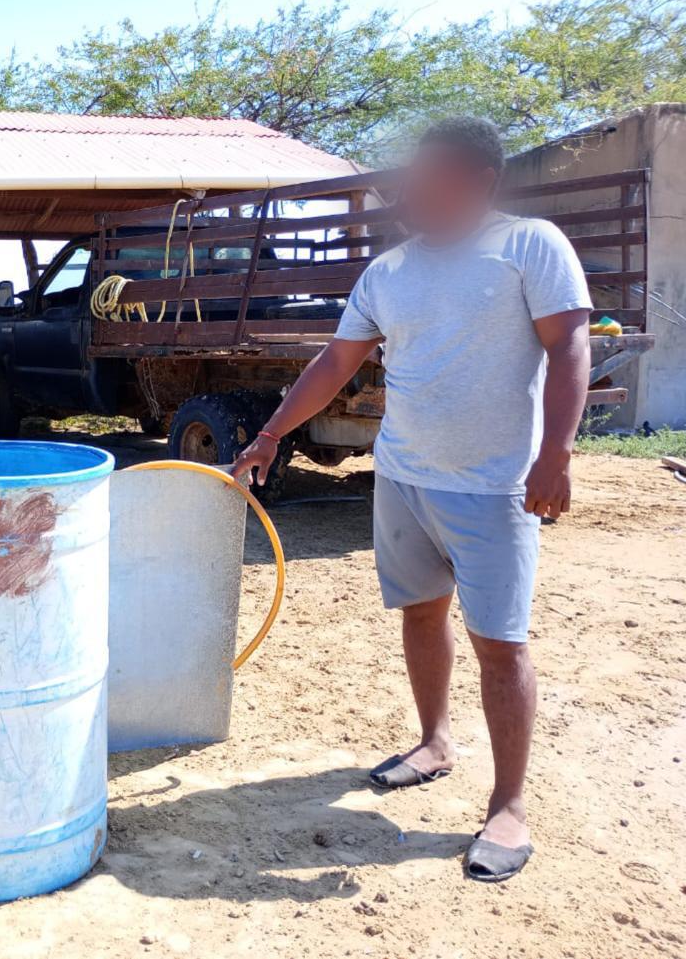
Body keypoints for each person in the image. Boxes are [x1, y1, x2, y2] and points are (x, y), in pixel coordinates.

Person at [231, 116, 592, 882]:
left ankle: (508, 804)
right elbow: (337, 360)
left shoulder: (529, 245)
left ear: (477, 181)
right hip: (402, 476)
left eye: (429, 177)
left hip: (494, 486)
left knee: (502, 642)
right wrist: (269, 434)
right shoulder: (388, 271)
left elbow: (569, 345)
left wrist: (557, 452)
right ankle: (434, 740)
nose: (412, 191)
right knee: (420, 613)